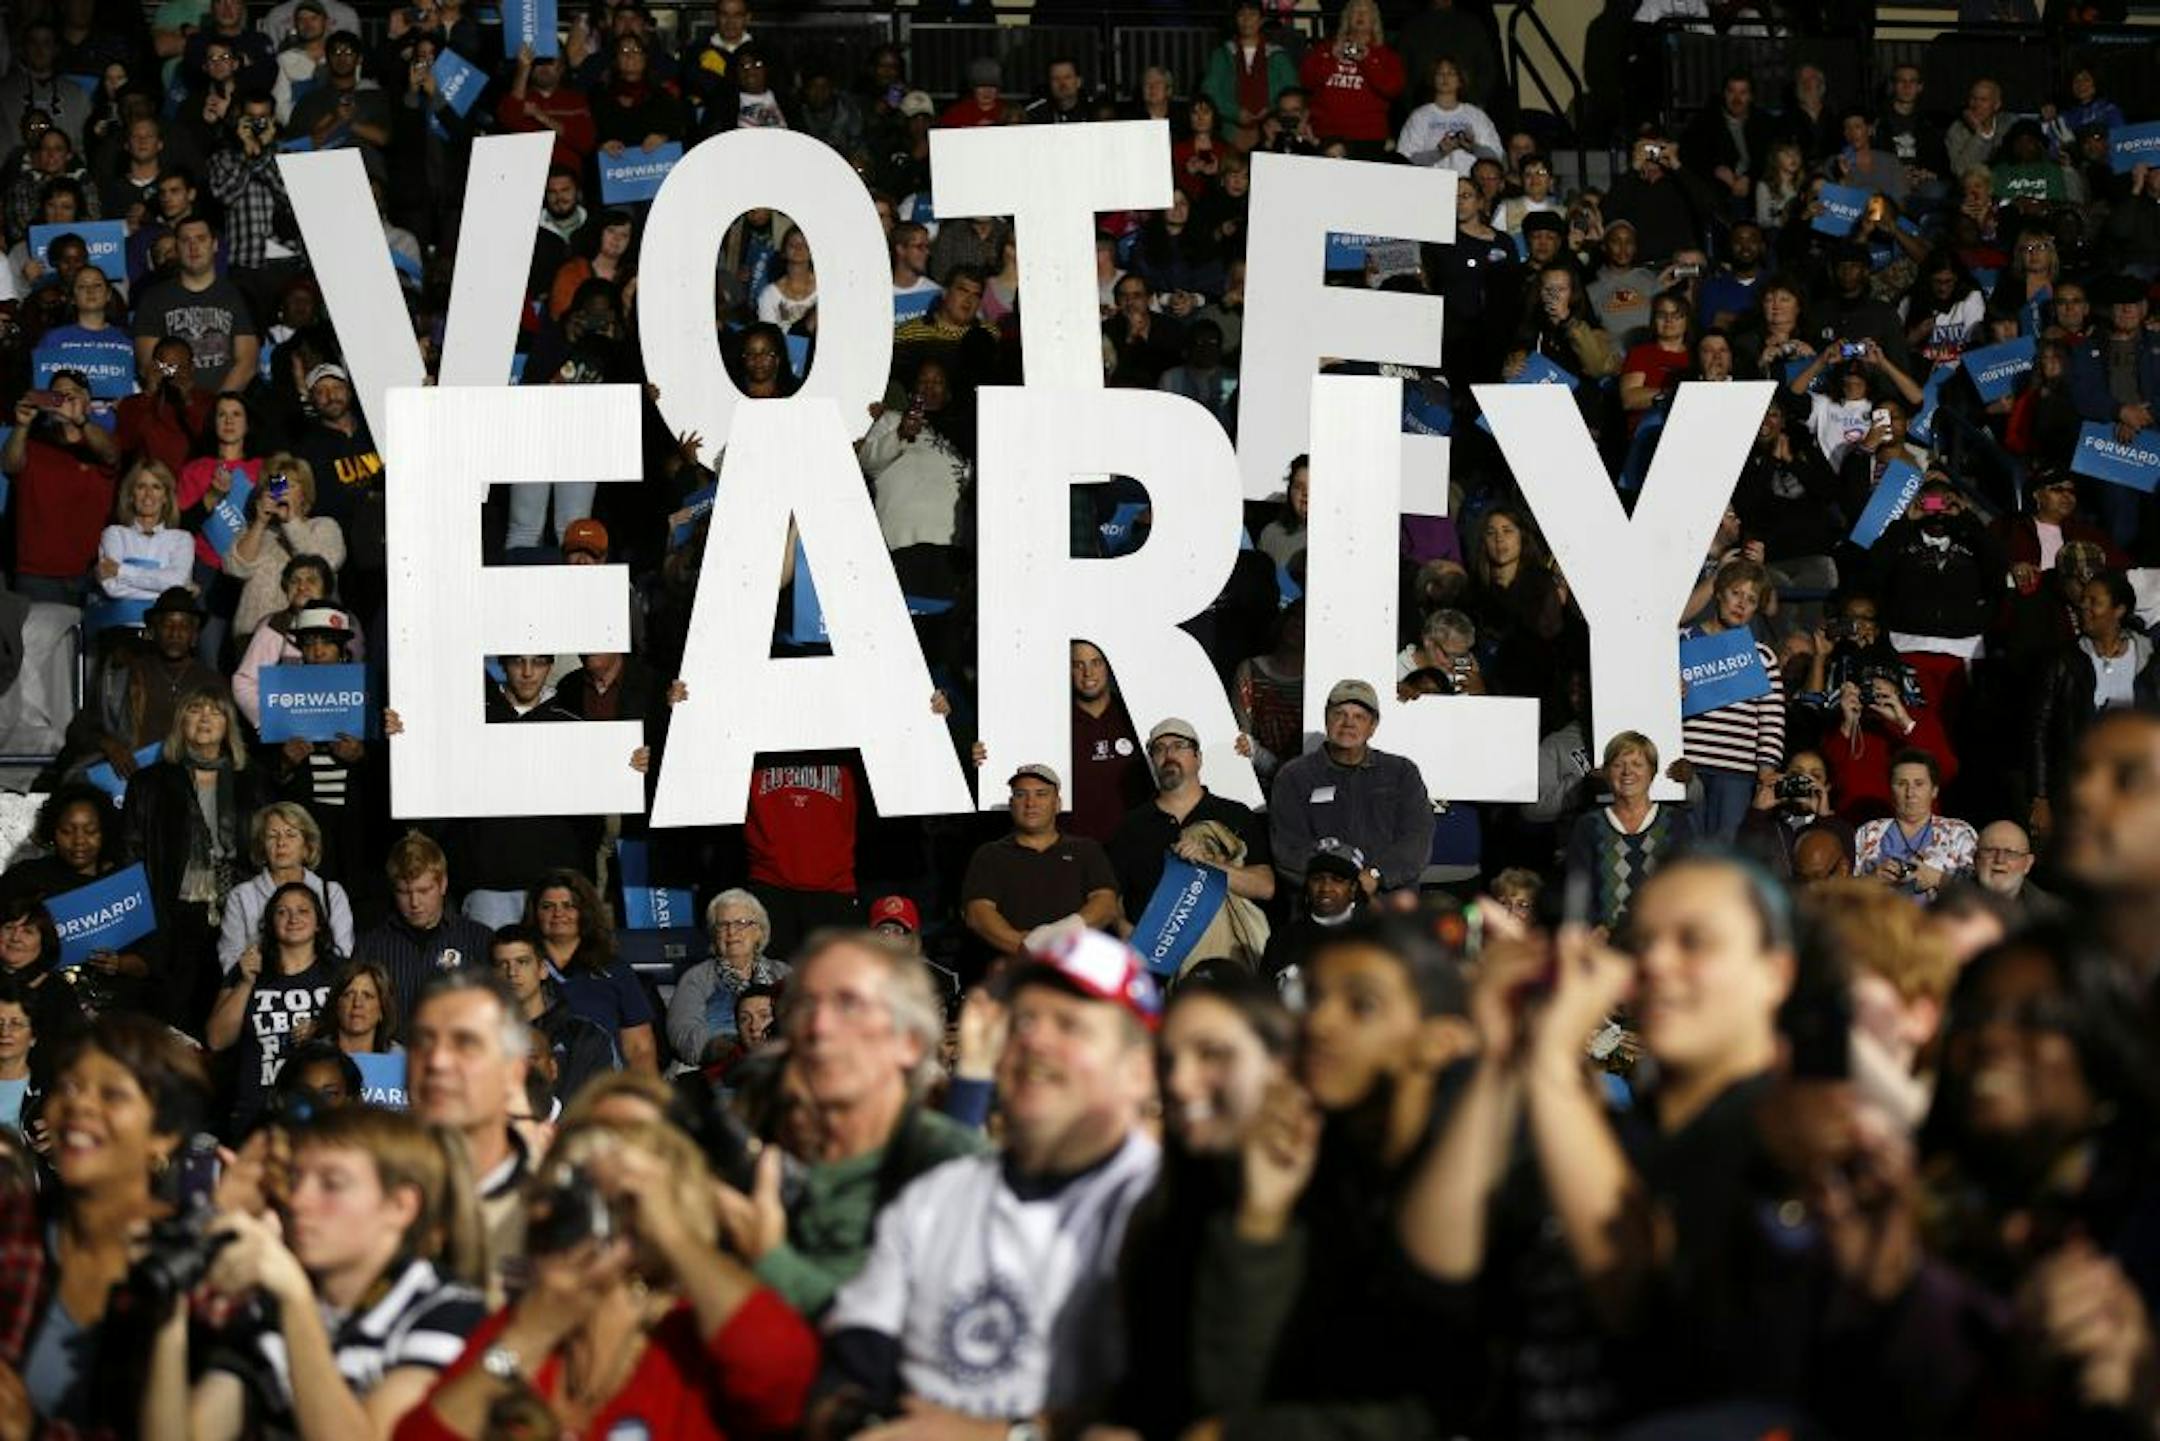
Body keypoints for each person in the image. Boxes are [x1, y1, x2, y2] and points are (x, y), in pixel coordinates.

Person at [814, 922, 1161, 1434]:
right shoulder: (936, 1196)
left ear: (1138, 1071)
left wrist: (1001, 1435)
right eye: (1022, 1021)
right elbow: (846, 1371)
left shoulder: (1169, 1205)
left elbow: (1174, 1415)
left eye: (1068, 1024)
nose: (1035, 1039)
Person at [395, 1116, 818, 1441]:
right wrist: (524, 1339)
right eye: (563, 1195)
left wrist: (672, 1236)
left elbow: (786, 1378)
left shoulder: (687, 1340)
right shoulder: (523, 1328)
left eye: (612, 1203)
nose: (566, 1217)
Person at [141, 1106, 488, 1441]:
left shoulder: (449, 1310)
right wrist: (170, 1313)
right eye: (295, 1179)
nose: (298, 1201)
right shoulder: (269, 1307)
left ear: (400, 1206)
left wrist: (296, 1301)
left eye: (332, 1184)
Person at [723, 931, 984, 1318]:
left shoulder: (951, 1165)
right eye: (805, 1006)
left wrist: (767, 1258)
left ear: (910, 1042)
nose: (819, 1027)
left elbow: (903, 1332)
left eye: (849, 1004)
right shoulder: (761, 1152)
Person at [1112, 972, 1294, 1437]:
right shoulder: (1153, 1209)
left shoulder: (1342, 1208)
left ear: (1280, 1064)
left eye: (1212, 1054)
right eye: (1168, 1060)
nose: (1179, 1082)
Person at [18, 1016, 213, 1433]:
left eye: (112, 1094)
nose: (80, 1106)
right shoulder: (16, 1232)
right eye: (68, 1086)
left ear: (164, 1135)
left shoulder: (204, 1271)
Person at [123, 686, 275, 1031]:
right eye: (195, 709)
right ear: (181, 722)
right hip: (175, 915)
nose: (205, 717)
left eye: (215, 711)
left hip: (240, 910)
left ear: (228, 724)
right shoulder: (149, 782)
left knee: (232, 1010)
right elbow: (131, 854)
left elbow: (269, 847)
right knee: (177, 1016)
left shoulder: (253, 779)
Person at [404, 970, 533, 1307]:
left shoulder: (556, 1209)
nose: (437, 1061)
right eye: (423, 1042)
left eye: (465, 1043)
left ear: (513, 1073)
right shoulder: (356, 1191)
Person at [1269, 679, 1436, 909]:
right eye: (1340, 714)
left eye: (1359, 717)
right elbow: (1288, 849)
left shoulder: (1402, 773)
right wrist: (1338, 881)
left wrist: (1376, 875)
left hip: (1390, 906)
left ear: (1373, 726)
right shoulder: (1293, 776)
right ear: (1326, 718)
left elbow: (1417, 840)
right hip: (1320, 907)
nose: (1348, 723)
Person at [1108, 717, 1274, 928]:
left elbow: (1265, 886)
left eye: (1179, 746)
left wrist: (1209, 864)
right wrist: (1125, 932)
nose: (1169, 755)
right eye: (1159, 749)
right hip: (1156, 953)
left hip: (1224, 953)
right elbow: (1111, 897)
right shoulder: (1132, 826)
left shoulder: (1234, 814)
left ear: (1199, 758)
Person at [2031, 570, 2156, 839]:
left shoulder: (2149, 660)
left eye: (2094, 602)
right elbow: (2039, 730)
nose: (2083, 606)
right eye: (2083, 600)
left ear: (2118, 610)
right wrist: (2040, 797)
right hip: (2079, 786)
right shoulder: (2064, 660)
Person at [209, 879, 340, 1133]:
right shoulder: (247, 969)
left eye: (303, 910)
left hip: (323, 1117)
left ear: (319, 923)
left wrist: (323, 1029)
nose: (293, 918)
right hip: (258, 1115)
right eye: (282, 911)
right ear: (270, 922)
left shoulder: (339, 972)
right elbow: (216, 1039)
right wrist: (247, 983)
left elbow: (364, 1033)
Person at [961, 765, 1122, 966]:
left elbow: (1106, 904)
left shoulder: (1086, 850)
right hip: (1014, 976)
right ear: (1011, 803)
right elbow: (978, 914)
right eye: (1021, 795)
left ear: (1057, 803)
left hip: (1077, 971)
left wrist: (1057, 937)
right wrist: (1026, 947)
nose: (1031, 803)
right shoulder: (990, 854)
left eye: (1041, 794)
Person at [1679, 558, 1787, 840]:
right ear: (1718, 593)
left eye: (1751, 600)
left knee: (1726, 857)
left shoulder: (1762, 656)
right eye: (1736, 593)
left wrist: (1766, 772)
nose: (1742, 604)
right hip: (1687, 768)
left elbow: (1771, 721)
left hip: (1736, 774)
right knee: (1686, 854)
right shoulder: (1681, 642)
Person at [352, 831, 496, 1024]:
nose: (415, 902)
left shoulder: (478, 939)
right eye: (404, 892)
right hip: (391, 1051)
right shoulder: (371, 945)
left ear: (443, 884)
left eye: (424, 890)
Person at [3, 368, 121, 604]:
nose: (64, 401)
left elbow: (111, 455)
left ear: (88, 403)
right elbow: (9, 464)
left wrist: (81, 420)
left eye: (72, 395)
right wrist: (22, 425)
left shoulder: (98, 445)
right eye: (57, 396)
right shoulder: (34, 445)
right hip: (38, 576)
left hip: (92, 574)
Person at [524, 869, 658, 1076]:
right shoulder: (518, 968)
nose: (558, 914)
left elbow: (639, 1048)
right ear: (535, 913)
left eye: (569, 906)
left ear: (584, 912)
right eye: (547, 907)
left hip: (601, 1088)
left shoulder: (615, 970)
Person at [1566, 730, 1699, 930]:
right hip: (1604, 946)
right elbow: (1577, 893)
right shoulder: (1589, 826)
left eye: (1637, 764)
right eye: (1618, 765)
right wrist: (1589, 932)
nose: (1627, 772)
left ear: (1652, 771)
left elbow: (1688, 887)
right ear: (1606, 772)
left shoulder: (1676, 822)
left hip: (1660, 941)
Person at [216, 800, 355, 976]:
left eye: (291, 834)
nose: (281, 843)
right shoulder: (242, 896)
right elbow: (230, 960)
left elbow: (342, 953)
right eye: (272, 836)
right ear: (262, 846)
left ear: (307, 846)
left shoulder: (331, 893)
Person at [490, 923, 616, 1110]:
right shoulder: (478, 1038)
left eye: (522, 962)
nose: (512, 973)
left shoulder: (585, 1037)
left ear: (542, 969)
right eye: (503, 964)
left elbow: (605, 1107)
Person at [222, 452, 346, 640]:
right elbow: (236, 568)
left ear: (304, 493)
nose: (283, 491)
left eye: (291, 485)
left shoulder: (323, 526)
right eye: (278, 485)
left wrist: (291, 520)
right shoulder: (255, 530)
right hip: (252, 635)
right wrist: (260, 522)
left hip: (307, 635)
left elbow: (323, 564)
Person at [130, 213, 259, 392]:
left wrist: (216, 406)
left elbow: (247, 363)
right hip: (173, 406)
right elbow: (148, 365)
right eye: (185, 240)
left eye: (201, 239)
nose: (193, 246)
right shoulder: (153, 298)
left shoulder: (237, 296)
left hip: (221, 408)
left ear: (214, 245)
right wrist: (181, 398)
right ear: (177, 248)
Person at [665, 889, 791, 1068]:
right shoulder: (697, 978)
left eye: (741, 923)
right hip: (722, 1070)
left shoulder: (783, 973)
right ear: (714, 936)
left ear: (759, 932)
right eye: (722, 925)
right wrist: (722, 1049)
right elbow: (682, 1036)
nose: (732, 932)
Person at [1854, 749, 1978, 896]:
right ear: (1890, 790)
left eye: (1919, 784)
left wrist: (1938, 879)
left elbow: (1979, 891)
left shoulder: (1959, 833)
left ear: (1934, 791)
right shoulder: (1868, 833)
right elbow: (1843, 891)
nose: (1910, 793)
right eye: (1901, 784)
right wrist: (1871, 880)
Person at [94, 461, 195, 604]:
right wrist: (170, 591)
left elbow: (176, 582)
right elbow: (113, 588)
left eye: (156, 487)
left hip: (163, 625)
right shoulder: (114, 534)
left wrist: (121, 571)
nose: (148, 494)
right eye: (141, 487)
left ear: (166, 497)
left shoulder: (182, 539)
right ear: (131, 495)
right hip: (120, 623)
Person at [1970, 819, 2064, 922]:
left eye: (2010, 853)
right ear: (1975, 859)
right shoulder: (1951, 904)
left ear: (2028, 863)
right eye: (1990, 851)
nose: (2000, 859)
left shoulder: (2051, 914)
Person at [305, 957, 402, 1056]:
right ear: (336, 1005)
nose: (357, 1003)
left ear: (382, 1009)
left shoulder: (400, 1059)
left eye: (367, 996)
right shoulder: (314, 1057)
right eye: (348, 994)